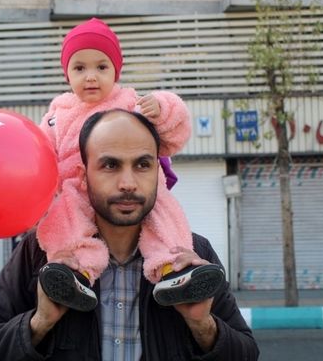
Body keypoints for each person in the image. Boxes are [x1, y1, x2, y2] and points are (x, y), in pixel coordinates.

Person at [0, 110, 259, 360]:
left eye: (142, 165)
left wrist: (203, 326)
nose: (128, 183)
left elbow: (247, 352)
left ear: (157, 171)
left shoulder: (189, 255)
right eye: (110, 165)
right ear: (83, 175)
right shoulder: (41, 252)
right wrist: (39, 323)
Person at [36, 17, 224, 311]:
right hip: (76, 185)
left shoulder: (130, 103)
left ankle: (173, 268)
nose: (90, 77)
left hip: (134, 190)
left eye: (101, 67)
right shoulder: (56, 115)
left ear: (116, 71)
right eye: (79, 68)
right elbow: (41, 153)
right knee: (63, 220)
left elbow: (174, 129)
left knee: (161, 212)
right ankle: (76, 271)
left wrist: (161, 109)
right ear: (66, 74)